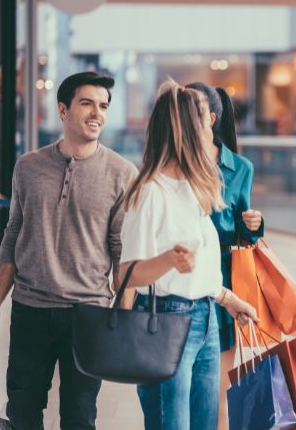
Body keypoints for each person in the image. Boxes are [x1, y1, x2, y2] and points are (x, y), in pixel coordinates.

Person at [0, 71, 139, 429]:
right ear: (63, 110)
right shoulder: (28, 167)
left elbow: (121, 251)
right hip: (30, 309)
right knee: (22, 414)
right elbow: (13, 236)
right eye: (87, 103)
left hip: (89, 314)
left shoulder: (122, 173)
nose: (96, 113)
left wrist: (122, 317)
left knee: (79, 418)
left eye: (103, 106)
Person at [117, 80, 258, 430]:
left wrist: (228, 299)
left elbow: (201, 269)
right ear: (185, 131)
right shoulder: (151, 192)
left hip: (207, 316)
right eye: (202, 120)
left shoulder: (195, 188)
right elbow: (126, 275)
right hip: (167, 320)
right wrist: (168, 260)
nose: (211, 128)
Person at [185, 82, 263, 430]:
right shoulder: (174, 163)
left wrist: (254, 224)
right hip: (180, 280)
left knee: (218, 393)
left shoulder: (240, 167)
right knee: (183, 391)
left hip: (222, 281)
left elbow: (243, 230)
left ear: (210, 118)